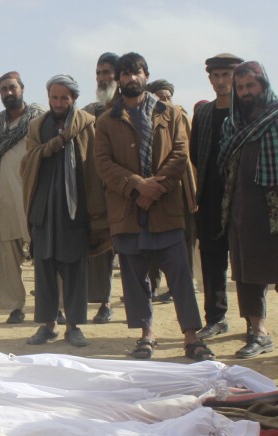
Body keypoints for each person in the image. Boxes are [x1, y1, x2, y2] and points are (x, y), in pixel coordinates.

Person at [93, 52, 212, 361]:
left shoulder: (169, 113)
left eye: (136, 72)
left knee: (180, 275)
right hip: (128, 211)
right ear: (118, 80)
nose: (130, 78)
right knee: (134, 279)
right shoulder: (106, 120)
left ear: (145, 75)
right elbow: (103, 163)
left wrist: (155, 187)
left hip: (164, 208)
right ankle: (147, 335)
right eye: (125, 74)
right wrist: (136, 185)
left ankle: (191, 336)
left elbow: (180, 153)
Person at [19, 75, 108, 347]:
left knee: (75, 269)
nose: (59, 103)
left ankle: (74, 326)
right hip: (44, 208)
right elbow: (28, 162)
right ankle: (48, 325)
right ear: (48, 97)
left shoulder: (87, 125)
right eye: (55, 97)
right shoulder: (37, 126)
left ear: (73, 99)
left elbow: (94, 167)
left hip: (75, 209)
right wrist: (49, 148)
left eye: (64, 98)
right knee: (44, 267)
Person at [218, 61, 278, 361]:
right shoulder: (231, 125)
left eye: (251, 85)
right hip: (243, 210)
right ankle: (258, 333)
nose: (246, 92)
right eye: (241, 87)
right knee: (248, 277)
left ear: (264, 85)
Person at [191, 53, 244, 340]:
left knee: (247, 265)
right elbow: (196, 155)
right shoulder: (203, 114)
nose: (222, 81)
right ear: (210, 78)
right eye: (217, 75)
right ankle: (216, 318)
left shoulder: (249, 113)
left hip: (242, 200)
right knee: (212, 263)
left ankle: (254, 324)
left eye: (228, 75)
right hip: (210, 198)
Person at [0, 72, 46, 324]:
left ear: (22, 88)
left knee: (44, 248)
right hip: (3, 195)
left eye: (12, 87)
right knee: (7, 252)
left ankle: (51, 303)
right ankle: (15, 307)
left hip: (34, 191)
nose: (8, 93)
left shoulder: (38, 117)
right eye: (3, 89)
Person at [146, 79, 199, 303]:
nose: (164, 101)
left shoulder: (180, 117)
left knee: (183, 242)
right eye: (159, 96)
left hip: (182, 190)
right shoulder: (146, 120)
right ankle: (153, 284)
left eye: (167, 96)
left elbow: (184, 156)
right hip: (151, 191)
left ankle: (183, 286)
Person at [83, 52, 119, 323]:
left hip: (130, 191)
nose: (102, 78)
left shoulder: (129, 108)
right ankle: (104, 302)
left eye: (107, 72)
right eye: (99, 73)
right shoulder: (89, 113)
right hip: (101, 194)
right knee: (103, 249)